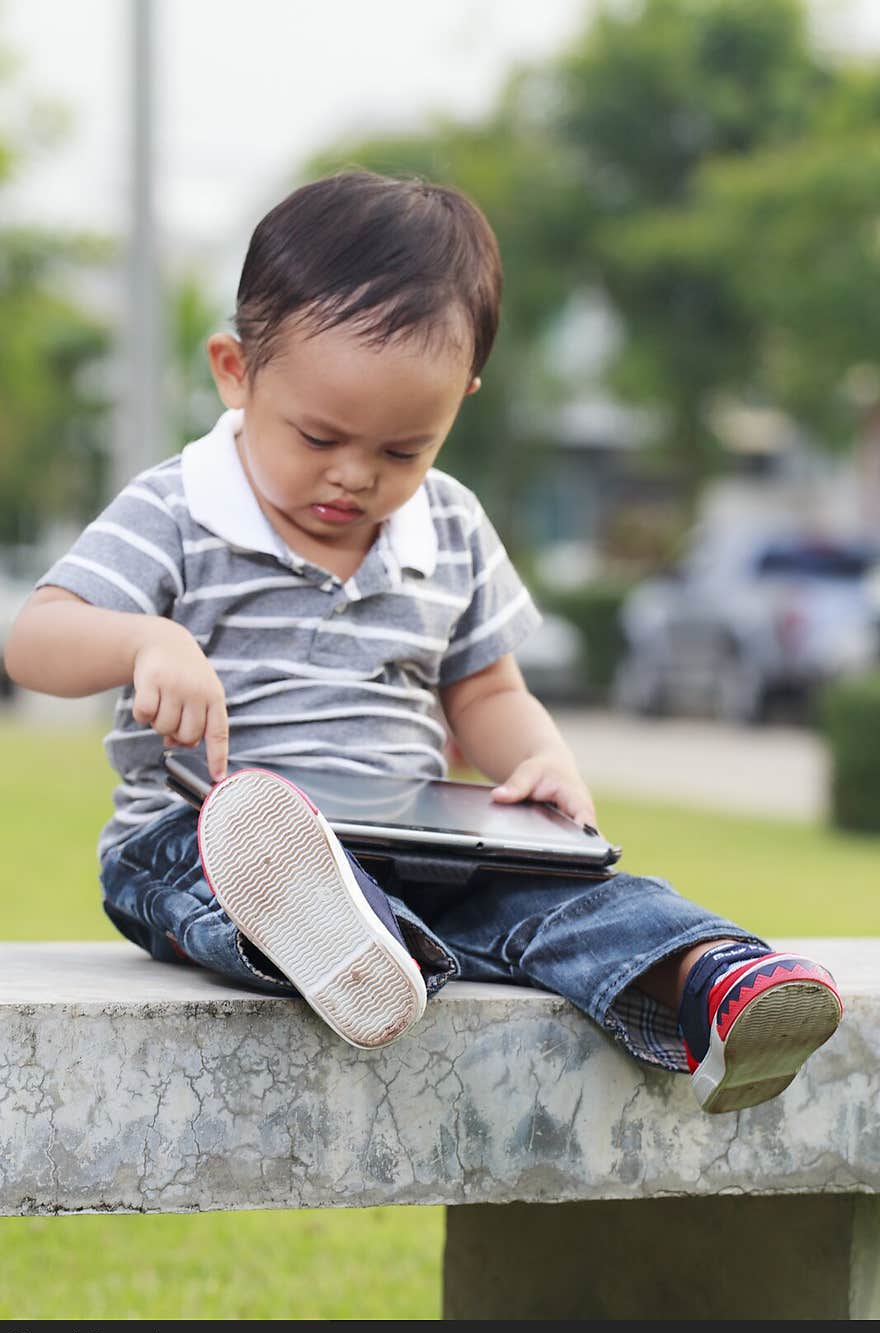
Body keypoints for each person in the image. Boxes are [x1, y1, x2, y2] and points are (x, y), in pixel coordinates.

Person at [6, 169, 842, 1115]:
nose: (355, 475)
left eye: (404, 450)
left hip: (416, 847)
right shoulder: (178, 507)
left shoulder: (450, 525)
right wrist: (145, 640)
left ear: (460, 403)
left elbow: (485, 694)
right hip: (195, 838)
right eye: (318, 436)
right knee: (235, 890)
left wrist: (541, 762)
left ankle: (713, 982)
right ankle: (351, 935)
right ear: (236, 372)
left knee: (565, 902)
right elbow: (36, 640)